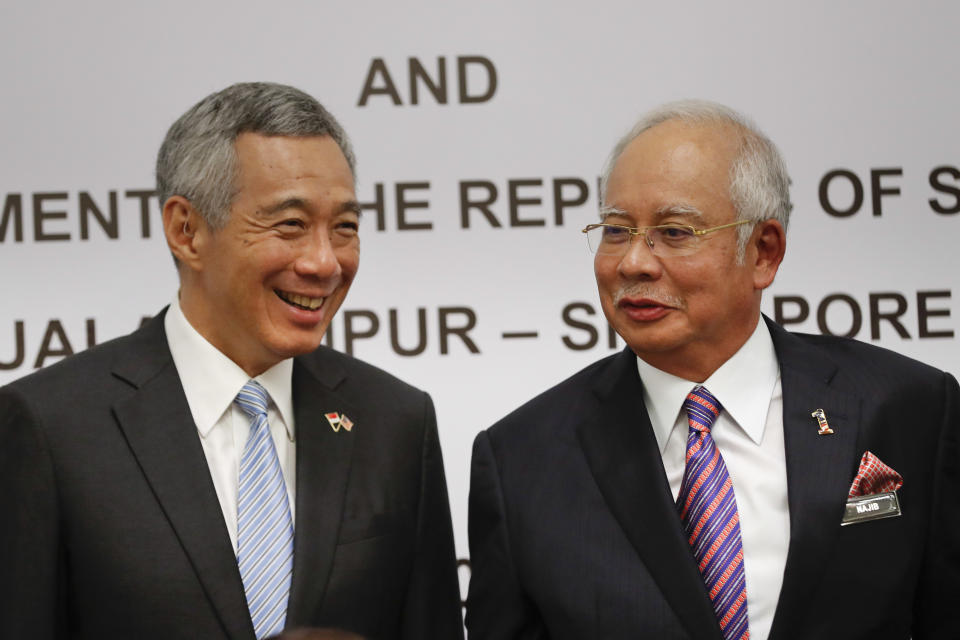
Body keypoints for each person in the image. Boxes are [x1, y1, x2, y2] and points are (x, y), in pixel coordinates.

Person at [465, 99, 959, 639]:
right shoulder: (521, 459)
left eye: (675, 232)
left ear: (764, 252)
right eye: (615, 230)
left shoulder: (906, 407)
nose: (633, 261)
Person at [0, 82, 463, 640]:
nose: (324, 262)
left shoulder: (396, 419)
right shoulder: (51, 427)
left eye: (344, 227)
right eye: (290, 224)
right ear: (186, 230)